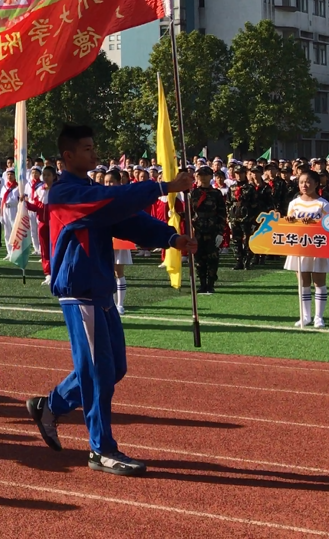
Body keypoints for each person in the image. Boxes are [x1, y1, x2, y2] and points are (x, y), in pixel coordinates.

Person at [26, 124, 196, 477]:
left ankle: (50, 406)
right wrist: (163, 187)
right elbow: (115, 203)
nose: (95, 153)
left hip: (100, 289)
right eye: (87, 148)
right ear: (68, 156)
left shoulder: (88, 188)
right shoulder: (65, 193)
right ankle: (101, 449)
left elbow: (127, 220)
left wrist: (171, 237)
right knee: (98, 373)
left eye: (94, 147)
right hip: (80, 290)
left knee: (114, 368)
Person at [283, 170, 329, 328]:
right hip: (299, 247)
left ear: (316, 183)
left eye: (307, 182)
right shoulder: (294, 203)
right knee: (303, 282)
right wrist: (291, 220)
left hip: (318, 247)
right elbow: (288, 226)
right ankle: (305, 316)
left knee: (319, 282)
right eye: (301, 182)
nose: (304, 185)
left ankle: (319, 317)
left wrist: (314, 221)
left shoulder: (323, 203)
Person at [187, 167, 227, 294]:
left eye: (206, 175)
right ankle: (202, 283)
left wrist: (221, 232)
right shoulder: (193, 193)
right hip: (197, 229)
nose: (203, 178)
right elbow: (189, 212)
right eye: (200, 175)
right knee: (199, 258)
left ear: (211, 177)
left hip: (212, 229)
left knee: (212, 258)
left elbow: (222, 214)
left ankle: (211, 284)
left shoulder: (216, 193)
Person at [105, 169, 131, 313]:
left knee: (118, 271)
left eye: (111, 182)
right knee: (107, 270)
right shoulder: (101, 196)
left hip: (120, 237)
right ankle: (110, 302)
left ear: (118, 182)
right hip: (105, 237)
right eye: (106, 182)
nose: (108, 184)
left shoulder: (123, 196)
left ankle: (120, 304)